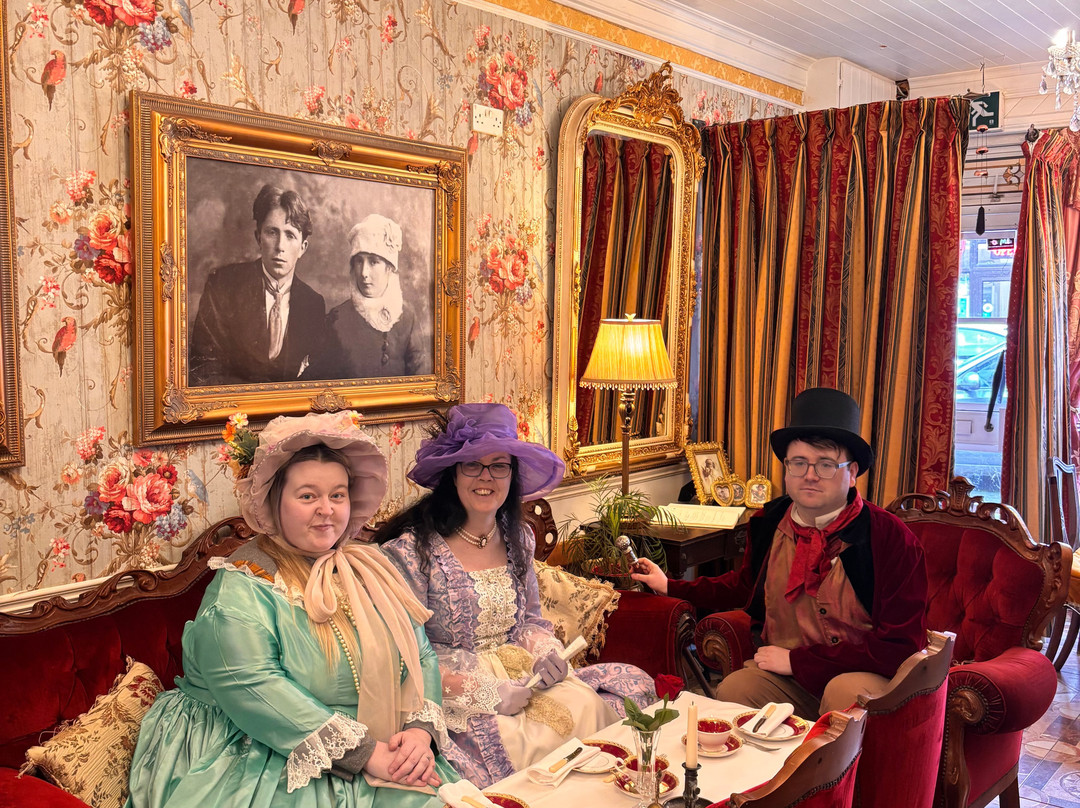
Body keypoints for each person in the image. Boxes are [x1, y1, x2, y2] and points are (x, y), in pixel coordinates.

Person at [126, 411, 456, 808]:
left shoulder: (371, 566)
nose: (326, 509)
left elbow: (420, 654)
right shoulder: (245, 583)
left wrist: (419, 732)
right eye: (307, 496)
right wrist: (367, 754)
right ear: (273, 503)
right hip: (263, 746)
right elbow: (252, 685)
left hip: (381, 742)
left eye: (337, 495)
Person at [376, 403, 657, 788]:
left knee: (596, 705)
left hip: (524, 676)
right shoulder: (413, 552)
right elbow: (405, 657)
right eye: (472, 465)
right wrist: (486, 693)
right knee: (520, 749)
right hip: (454, 690)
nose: (485, 477)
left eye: (499, 466)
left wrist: (546, 653)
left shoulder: (518, 537)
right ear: (453, 474)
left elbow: (529, 621)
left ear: (513, 474)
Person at [632, 387, 928, 718]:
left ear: (853, 472)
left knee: (842, 695)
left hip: (862, 677)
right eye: (799, 463)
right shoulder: (769, 522)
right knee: (735, 689)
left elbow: (900, 648)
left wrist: (798, 661)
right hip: (790, 678)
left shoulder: (890, 538)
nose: (810, 476)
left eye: (826, 465)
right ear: (786, 468)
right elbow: (744, 587)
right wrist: (669, 585)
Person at [189, 184, 326, 386]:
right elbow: (202, 369)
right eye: (272, 232)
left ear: (302, 247)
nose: (280, 246)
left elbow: (316, 378)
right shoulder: (223, 285)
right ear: (258, 237)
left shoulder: (313, 304)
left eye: (290, 235)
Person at [308, 213, 430, 380]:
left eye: (373, 262)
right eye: (359, 261)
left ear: (389, 268)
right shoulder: (337, 320)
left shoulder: (407, 319)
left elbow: (420, 382)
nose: (364, 273)